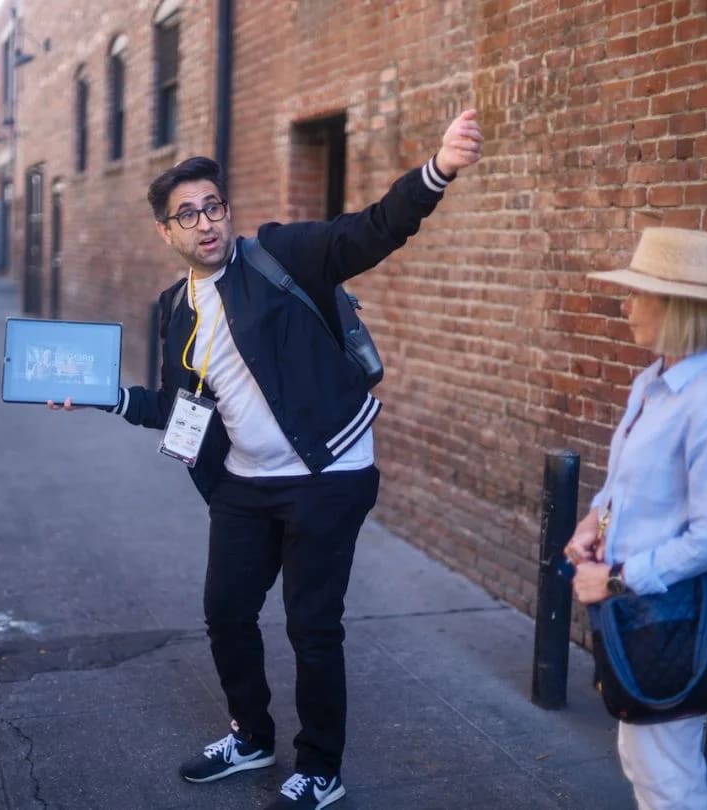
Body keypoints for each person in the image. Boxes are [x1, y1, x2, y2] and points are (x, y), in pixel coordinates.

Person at [51, 109, 483, 809]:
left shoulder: (279, 255)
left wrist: (438, 171)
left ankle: (320, 768)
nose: (205, 223)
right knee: (226, 611)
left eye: (212, 206)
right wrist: (109, 398)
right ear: (166, 232)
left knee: (312, 624)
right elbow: (181, 408)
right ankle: (251, 736)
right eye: (187, 214)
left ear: (227, 210)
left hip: (327, 473)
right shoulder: (176, 309)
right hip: (245, 484)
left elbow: (372, 229)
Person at [563, 227, 707, 810]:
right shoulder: (655, 380)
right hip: (641, 607)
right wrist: (594, 521)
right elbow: (627, 482)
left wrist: (615, 578)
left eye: (638, 293)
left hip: (674, 610)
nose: (625, 306)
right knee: (645, 759)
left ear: (678, 307)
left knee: (667, 777)